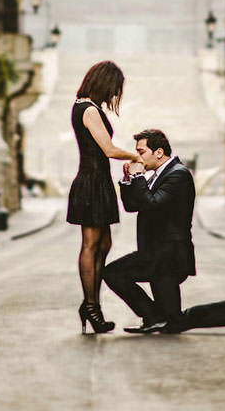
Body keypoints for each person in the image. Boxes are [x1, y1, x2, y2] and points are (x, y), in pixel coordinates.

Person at [105, 128, 225, 335]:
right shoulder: (160, 175)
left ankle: (154, 317)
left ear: (158, 152)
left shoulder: (178, 174)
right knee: (172, 321)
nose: (137, 156)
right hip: (155, 255)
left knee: (114, 273)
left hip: (168, 257)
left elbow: (153, 204)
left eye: (141, 151)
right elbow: (133, 206)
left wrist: (138, 176)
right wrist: (128, 180)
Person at [67, 60, 140, 333]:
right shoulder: (88, 109)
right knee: (91, 243)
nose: (115, 95)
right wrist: (136, 156)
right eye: (114, 89)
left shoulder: (89, 108)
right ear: (103, 84)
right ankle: (91, 306)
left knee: (104, 242)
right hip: (91, 181)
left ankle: (92, 303)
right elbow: (108, 149)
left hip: (99, 181)